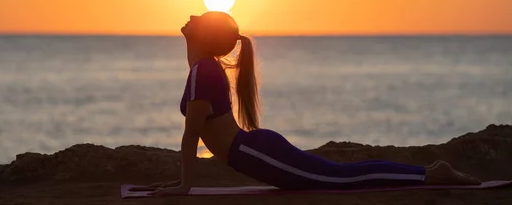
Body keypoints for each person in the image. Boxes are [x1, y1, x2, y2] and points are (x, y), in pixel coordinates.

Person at [132, 11, 480, 196]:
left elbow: (191, 135)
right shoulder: (203, 68)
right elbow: (194, 133)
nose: (191, 15)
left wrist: (184, 186)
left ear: (205, 37)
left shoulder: (203, 71)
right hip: (256, 149)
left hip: (255, 152)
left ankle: (430, 174)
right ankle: (427, 172)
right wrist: (177, 182)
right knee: (336, 176)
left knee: (340, 179)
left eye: (200, 18)